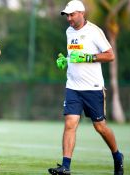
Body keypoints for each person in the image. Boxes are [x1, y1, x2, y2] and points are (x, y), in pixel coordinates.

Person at [48, 1, 124, 175]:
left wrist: (88, 58)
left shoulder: (94, 31)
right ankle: (65, 166)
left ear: (81, 13)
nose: (69, 19)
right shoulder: (69, 31)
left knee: (100, 127)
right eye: (67, 15)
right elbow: (74, 55)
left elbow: (110, 55)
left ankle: (117, 156)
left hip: (93, 87)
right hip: (73, 86)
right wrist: (65, 60)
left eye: (71, 15)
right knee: (70, 123)